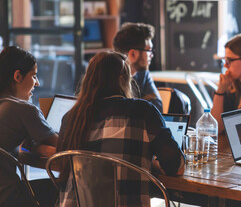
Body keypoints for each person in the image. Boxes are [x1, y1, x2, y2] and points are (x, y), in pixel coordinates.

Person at [56, 51, 185, 206]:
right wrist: (150, 162)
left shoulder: (72, 117)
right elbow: (175, 167)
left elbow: (60, 165)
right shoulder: (143, 111)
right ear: (122, 79)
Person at [0, 46, 58, 207]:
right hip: (8, 197)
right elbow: (63, 145)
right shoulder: (23, 109)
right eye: (34, 75)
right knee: (64, 187)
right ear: (18, 76)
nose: (37, 83)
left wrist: (34, 147)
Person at [113, 22, 162, 112]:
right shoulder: (108, 78)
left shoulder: (143, 75)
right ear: (133, 54)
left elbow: (157, 108)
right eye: (149, 50)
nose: (152, 55)